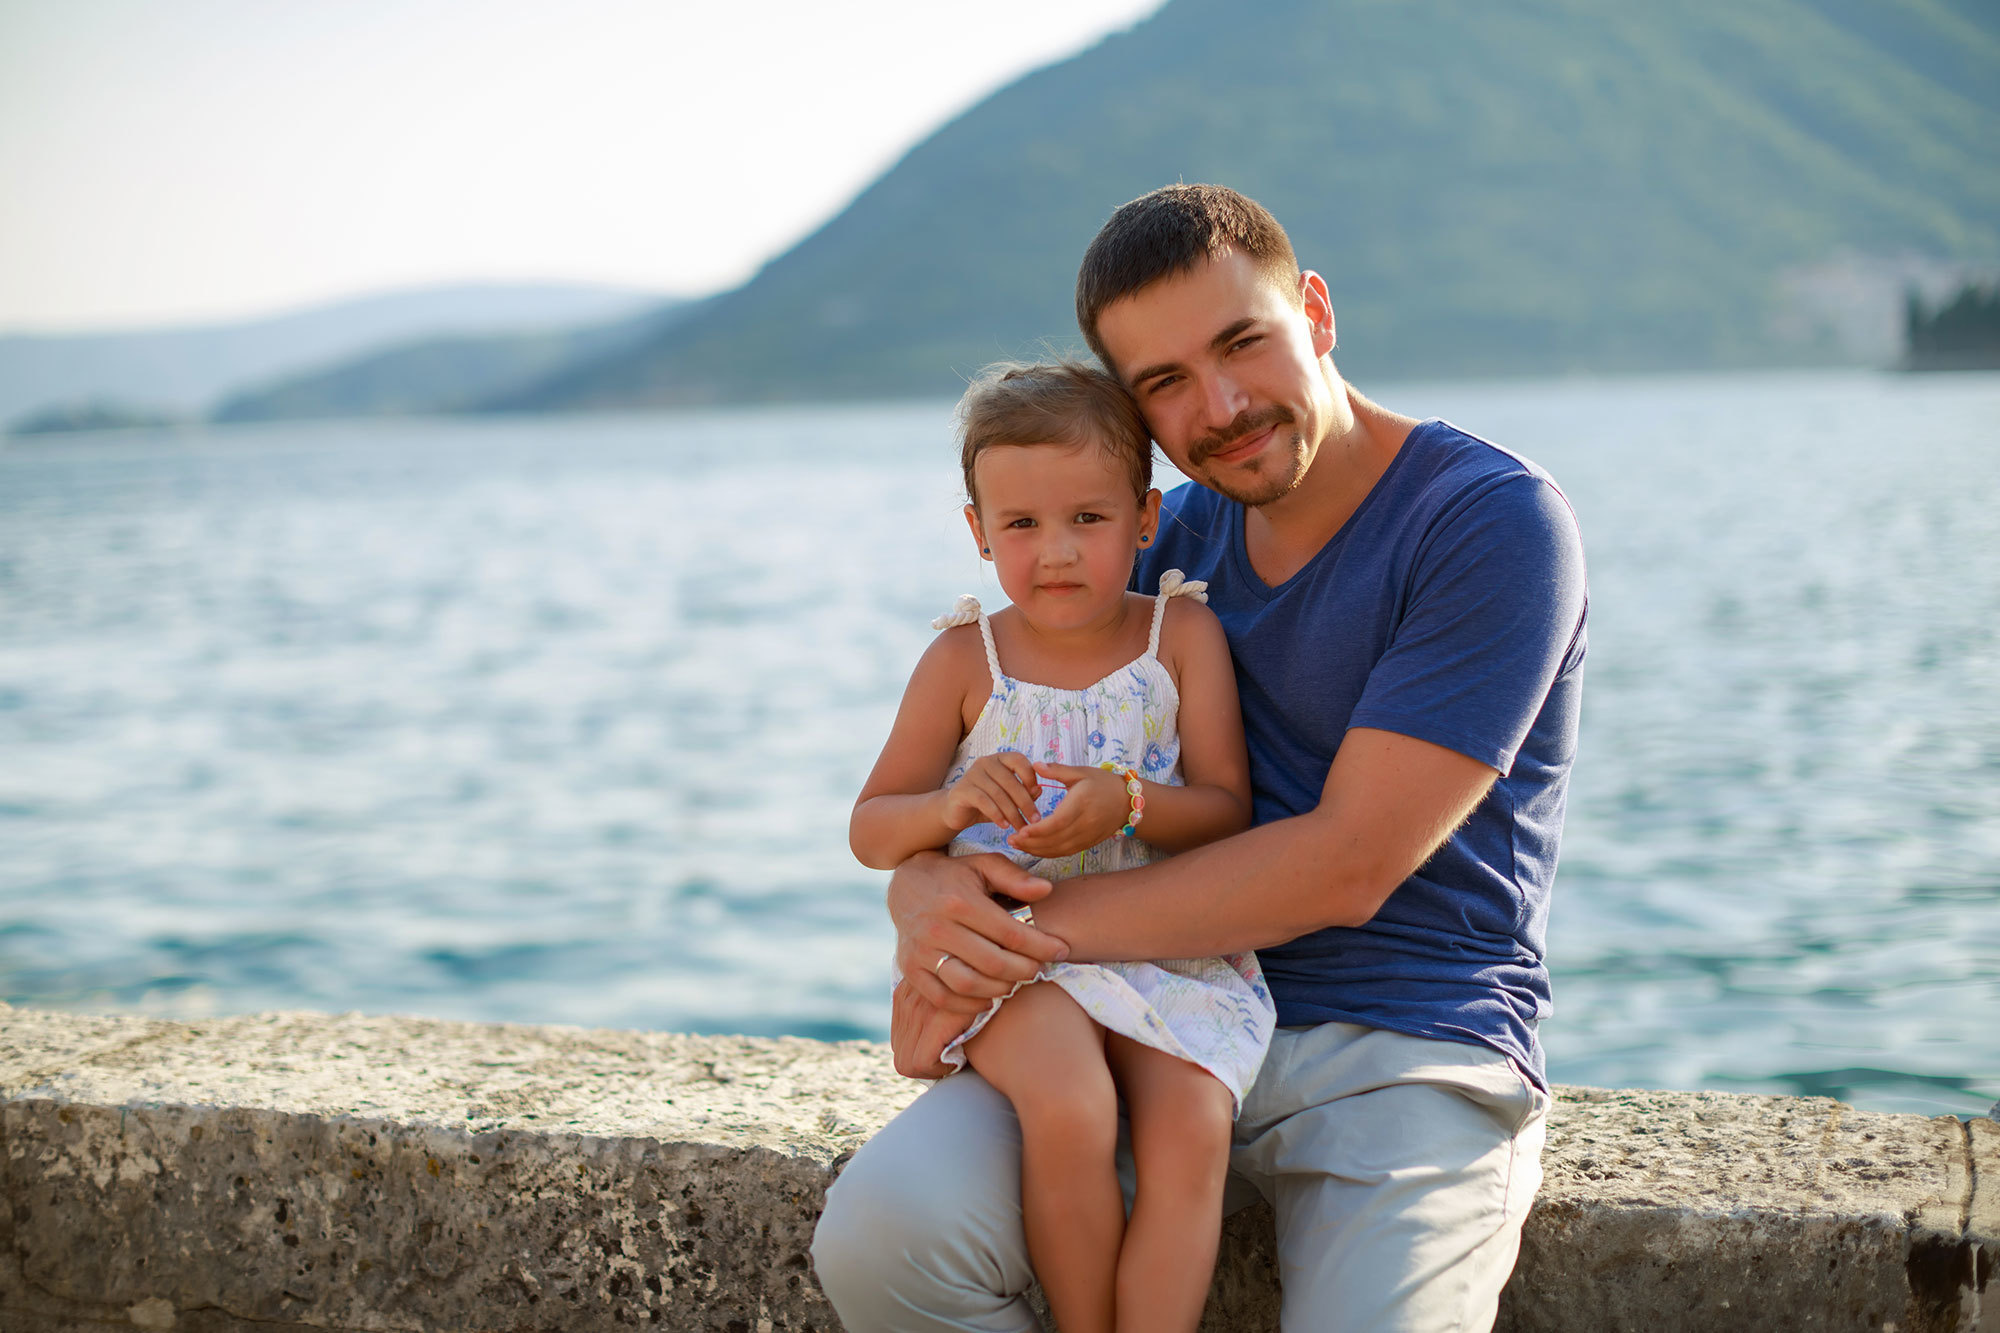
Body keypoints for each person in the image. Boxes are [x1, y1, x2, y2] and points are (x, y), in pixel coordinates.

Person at [812, 184, 1588, 1332]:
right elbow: (974, 768)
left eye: (1240, 343)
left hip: (1405, 1046)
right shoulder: (1160, 542)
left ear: (1313, 312)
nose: (1218, 406)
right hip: (1132, 1004)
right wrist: (928, 894)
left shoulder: (1486, 523)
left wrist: (1011, 936)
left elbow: (1344, 864)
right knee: (884, 1238)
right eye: (1163, 383)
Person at [847, 360, 1277, 1333]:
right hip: (1018, 959)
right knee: (1073, 1108)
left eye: (1087, 519)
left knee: (1193, 1129)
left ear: (1143, 518)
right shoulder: (964, 660)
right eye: (1021, 525)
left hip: (1166, 947)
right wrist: (952, 805)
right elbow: (871, 826)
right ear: (977, 532)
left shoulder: (1180, 636)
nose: (1055, 552)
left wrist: (1127, 802)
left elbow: (1224, 810)